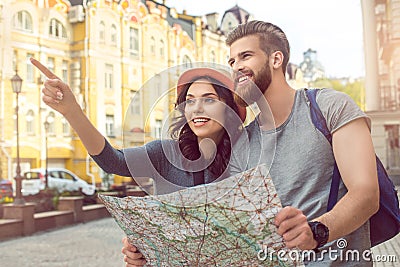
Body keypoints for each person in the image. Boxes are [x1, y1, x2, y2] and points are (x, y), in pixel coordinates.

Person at [123, 20, 380, 266]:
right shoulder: (243, 143)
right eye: (232, 61)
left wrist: (316, 233)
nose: (236, 68)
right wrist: (149, 246)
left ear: (276, 59)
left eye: (246, 56)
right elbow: (231, 227)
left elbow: (366, 194)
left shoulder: (329, 106)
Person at [30, 59, 246, 266]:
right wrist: (72, 111)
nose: (197, 108)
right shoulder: (165, 153)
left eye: (209, 99)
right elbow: (112, 161)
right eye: (190, 100)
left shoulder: (248, 155)